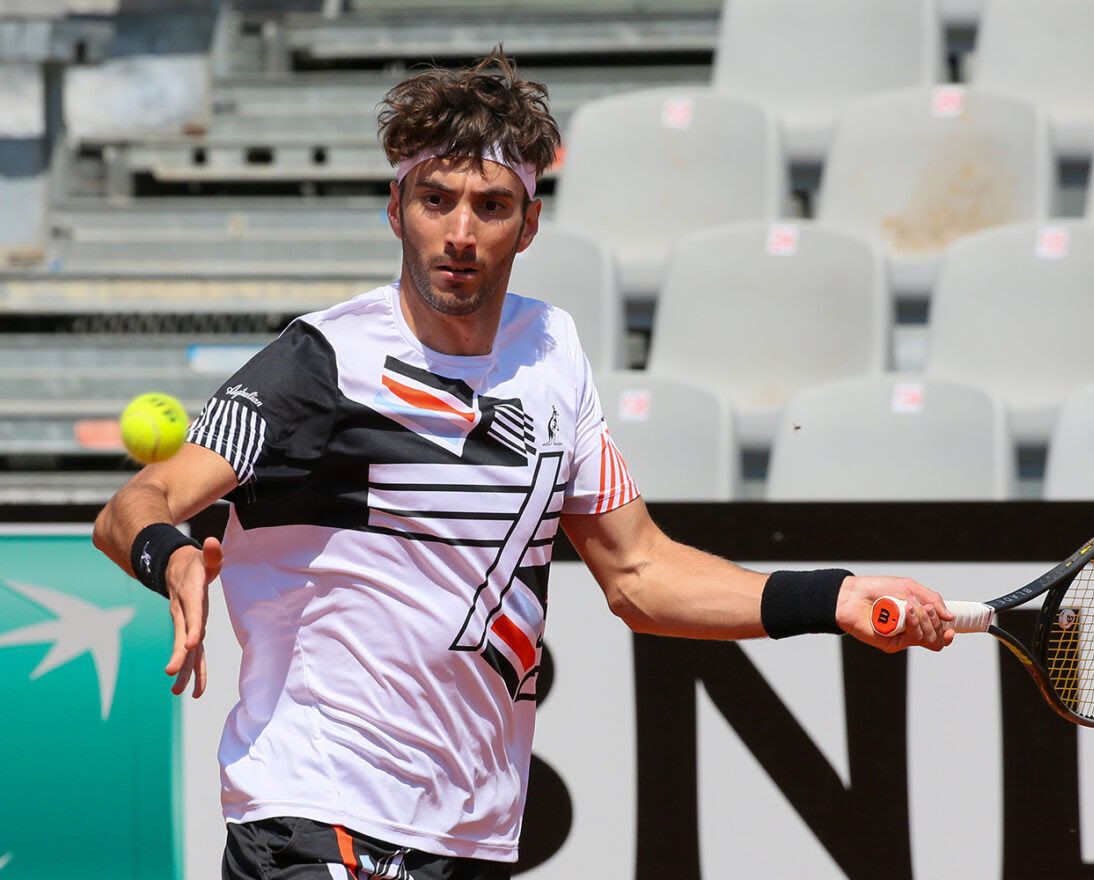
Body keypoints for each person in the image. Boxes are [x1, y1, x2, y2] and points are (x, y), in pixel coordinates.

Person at [92, 47, 954, 880]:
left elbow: (641, 573)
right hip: (318, 811)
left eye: (490, 206)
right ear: (396, 209)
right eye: (435, 201)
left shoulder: (553, 352)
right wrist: (167, 554)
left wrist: (833, 597)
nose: (460, 233)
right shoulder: (321, 361)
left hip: (473, 835)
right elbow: (141, 499)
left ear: (529, 222)